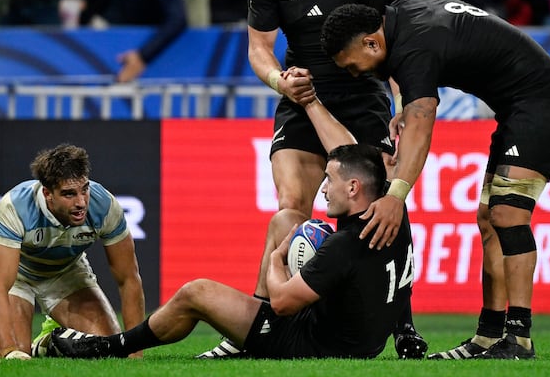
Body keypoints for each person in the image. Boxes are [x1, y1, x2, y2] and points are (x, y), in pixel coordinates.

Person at [200, 0, 427, 360]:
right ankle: (261, 324)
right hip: (301, 95)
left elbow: (391, 40)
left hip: (362, 92)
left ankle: (403, 323)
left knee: (381, 203)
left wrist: (404, 104)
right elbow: (259, 49)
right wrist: (280, 81)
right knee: (289, 207)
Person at [319, 0, 550, 360]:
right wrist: (403, 107)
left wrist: (396, 194)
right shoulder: (408, 5)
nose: (358, 74)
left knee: (508, 214)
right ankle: (488, 336)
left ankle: (519, 337)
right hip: (519, 107)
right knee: (489, 218)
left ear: (372, 41)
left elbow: (423, 127)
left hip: (546, 102)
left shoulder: (414, 50)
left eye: (357, 66)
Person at [49, 141, 416, 360]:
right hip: (360, 340)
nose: (323, 189)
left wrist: (277, 261)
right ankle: (248, 333)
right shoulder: (394, 221)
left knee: (196, 292)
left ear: (353, 188)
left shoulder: (342, 246)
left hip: (313, 343)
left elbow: (285, 302)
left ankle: (106, 347)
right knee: (285, 219)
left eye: (329, 181)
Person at [0, 143, 145, 359]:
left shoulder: (104, 205)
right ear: (48, 193)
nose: (81, 202)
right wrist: (9, 351)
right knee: (12, 349)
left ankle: (49, 339)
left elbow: (129, 278)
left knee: (105, 347)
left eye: (84, 189)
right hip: (17, 272)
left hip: (65, 269)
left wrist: (135, 351)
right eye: (69, 194)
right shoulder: (15, 206)